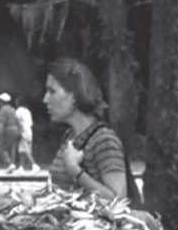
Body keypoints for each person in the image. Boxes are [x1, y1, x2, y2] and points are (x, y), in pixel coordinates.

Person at [45, 58, 139, 204]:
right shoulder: (70, 137)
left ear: (74, 96)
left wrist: (76, 171)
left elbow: (118, 201)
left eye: (52, 91)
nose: (45, 99)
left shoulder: (104, 140)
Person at [0, 93, 21, 170]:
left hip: (8, 130)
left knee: (1, 148)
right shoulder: (12, 109)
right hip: (16, 130)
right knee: (12, 148)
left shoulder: (3, 109)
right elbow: (17, 121)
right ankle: (12, 164)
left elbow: (2, 123)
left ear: (1, 102)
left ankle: (9, 164)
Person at [15, 100, 35, 171]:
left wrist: (19, 132)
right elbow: (31, 123)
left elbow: (17, 122)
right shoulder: (28, 111)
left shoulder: (18, 111)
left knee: (25, 149)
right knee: (22, 150)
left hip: (23, 131)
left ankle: (34, 165)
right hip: (29, 131)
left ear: (18, 103)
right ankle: (21, 167)